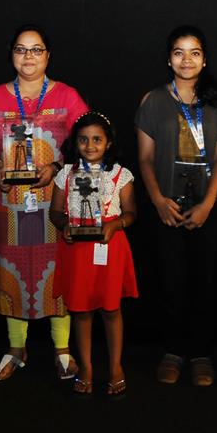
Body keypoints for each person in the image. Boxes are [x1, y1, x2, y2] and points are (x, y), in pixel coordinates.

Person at [0, 24, 88, 382]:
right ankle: (15, 348)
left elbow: (89, 140)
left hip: (56, 202)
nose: (29, 57)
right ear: (12, 56)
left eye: (36, 50)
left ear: (48, 55)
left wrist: (56, 165)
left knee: (58, 270)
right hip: (7, 203)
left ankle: (62, 350)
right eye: (21, 49)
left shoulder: (67, 97)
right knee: (11, 272)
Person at [136, 25, 217, 387]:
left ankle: (201, 353)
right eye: (179, 52)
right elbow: (144, 159)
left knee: (206, 281)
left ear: (204, 59)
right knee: (171, 281)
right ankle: (173, 351)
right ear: (169, 59)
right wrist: (158, 200)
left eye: (194, 52)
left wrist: (209, 202)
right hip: (167, 206)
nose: (187, 59)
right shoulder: (153, 100)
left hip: (210, 205)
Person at [49, 111, 138, 397]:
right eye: (84, 139)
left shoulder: (120, 175)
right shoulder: (66, 174)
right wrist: (64, 226)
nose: (90, 145)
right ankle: (86, 367)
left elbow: (131, 213)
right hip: (77, 249)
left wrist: (116, 223)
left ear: (108, 143)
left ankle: (116, 367)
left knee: (111, 309)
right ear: (75, 143)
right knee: (82, 312)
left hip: (109, 248)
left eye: (97, 139)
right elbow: (55, 211)